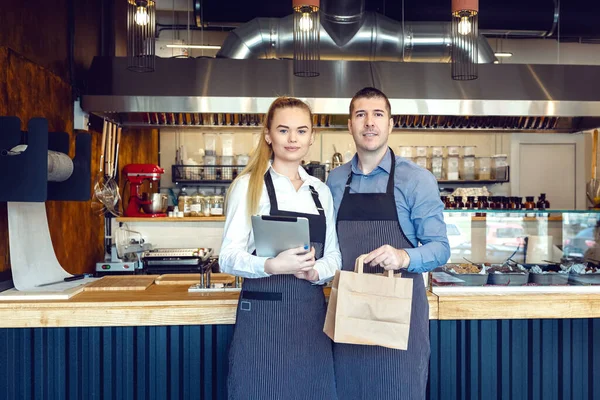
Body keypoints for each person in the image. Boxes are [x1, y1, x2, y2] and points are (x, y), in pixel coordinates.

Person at [327, 87, 450, 400]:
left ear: (390, 124)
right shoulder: (335, 181)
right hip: (349, 316)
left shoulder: (416, 180)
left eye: (377, 114)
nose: (369, 122)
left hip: (400, 320)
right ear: (350, 125)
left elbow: (440, 248)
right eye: (361, 115)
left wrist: (403, 257)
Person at [219, 97, 340, 399]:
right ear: (268, 135)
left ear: (312, 137)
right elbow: (228, 257)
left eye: (301, 131)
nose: (292, 139)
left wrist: (315, 272)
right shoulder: (248, 186)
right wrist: (271, 266)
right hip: (263, 321)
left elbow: (335, 257)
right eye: (283, 130)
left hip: (310, 319)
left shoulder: (320, 191)